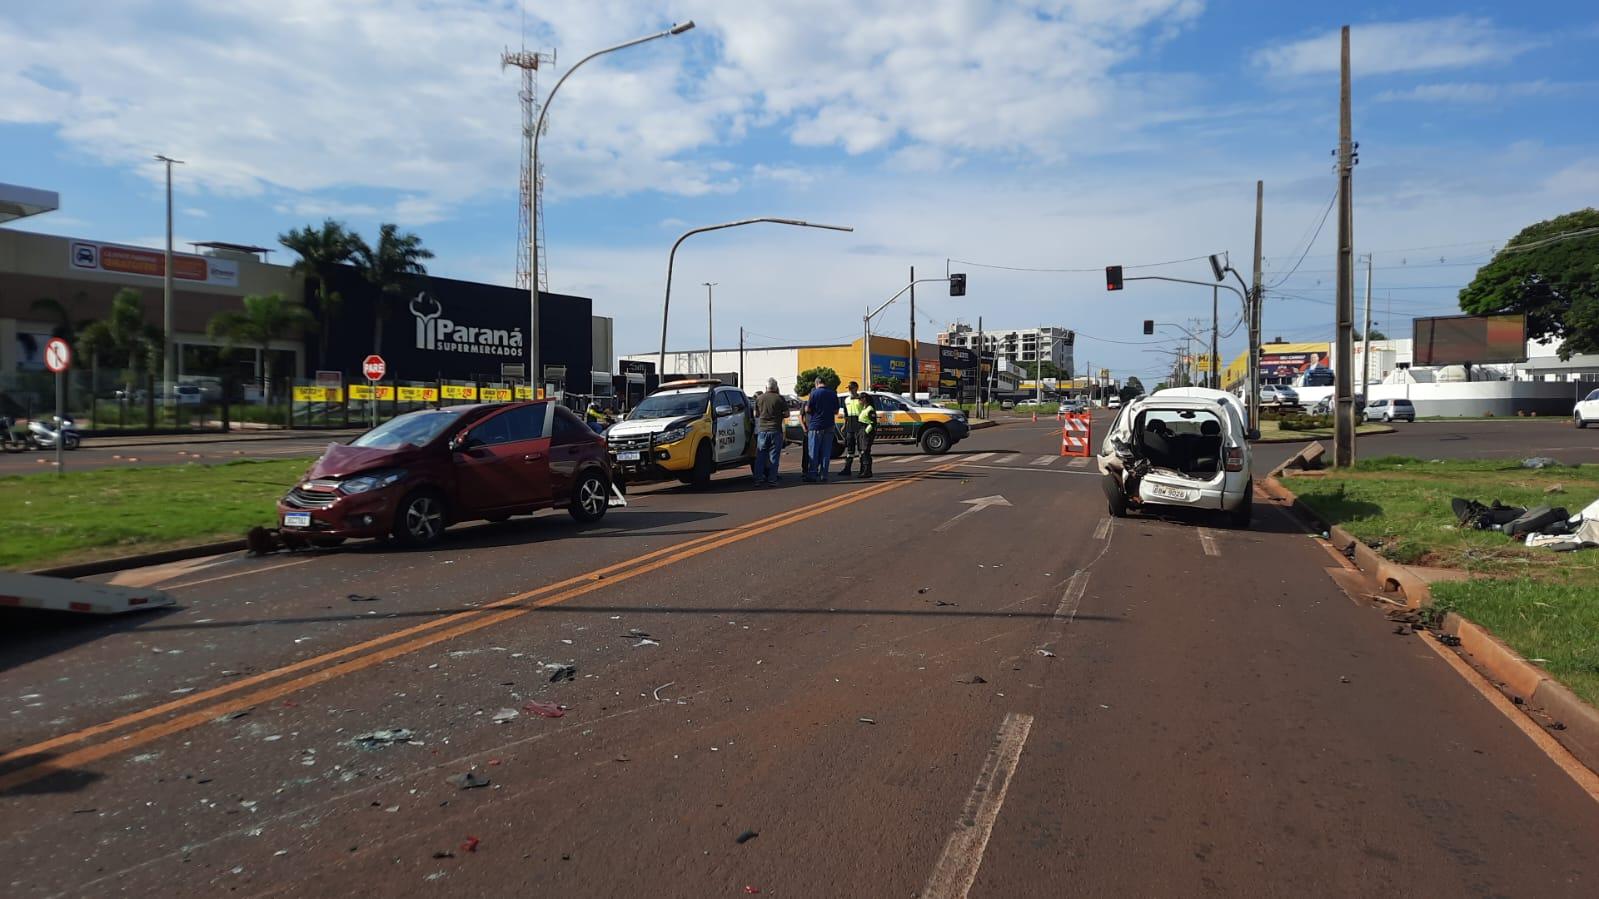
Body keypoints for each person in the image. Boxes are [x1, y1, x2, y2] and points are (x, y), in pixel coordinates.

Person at [801, 376, 839, 482]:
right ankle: (824, 474)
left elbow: (808, 409)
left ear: (816, 383)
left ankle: (812, 474)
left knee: (813, 451)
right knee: (826, 452)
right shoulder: (833, 393)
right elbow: (836, 411)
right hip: (829, 425)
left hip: (815, 425)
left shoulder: (814, 393)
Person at [752, 378, 787, 487]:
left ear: (766, 387)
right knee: (774, 457)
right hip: (775, 430)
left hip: (762, 431)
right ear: (776, 387)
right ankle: (772, 479)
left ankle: (758, 479)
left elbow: (755, 414)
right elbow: (786, 414)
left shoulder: (759, 398)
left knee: (760, 456)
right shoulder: (780, 398)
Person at [840, 381, 863, 477]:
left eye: (852, 388)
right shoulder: (846, 400)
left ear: (856, 388)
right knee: (850, 447)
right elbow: (845, 413)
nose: (850, 390)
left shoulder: (861, 399)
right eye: (849, 388)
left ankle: (863, 469)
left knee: (861, 448)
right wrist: (844, 425)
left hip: (860, 424)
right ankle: (847, 469)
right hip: (850, 425)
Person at [855, 392, 877, 478]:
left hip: (866, 431)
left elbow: (873, 423)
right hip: (861, 430)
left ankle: (867, 471)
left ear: (864, 399)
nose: (859, 400)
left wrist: (866, 432)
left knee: (865, 451)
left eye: (860, 399)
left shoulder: (870, 409)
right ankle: (862, 470)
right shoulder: (864, 408)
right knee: (861, 451)